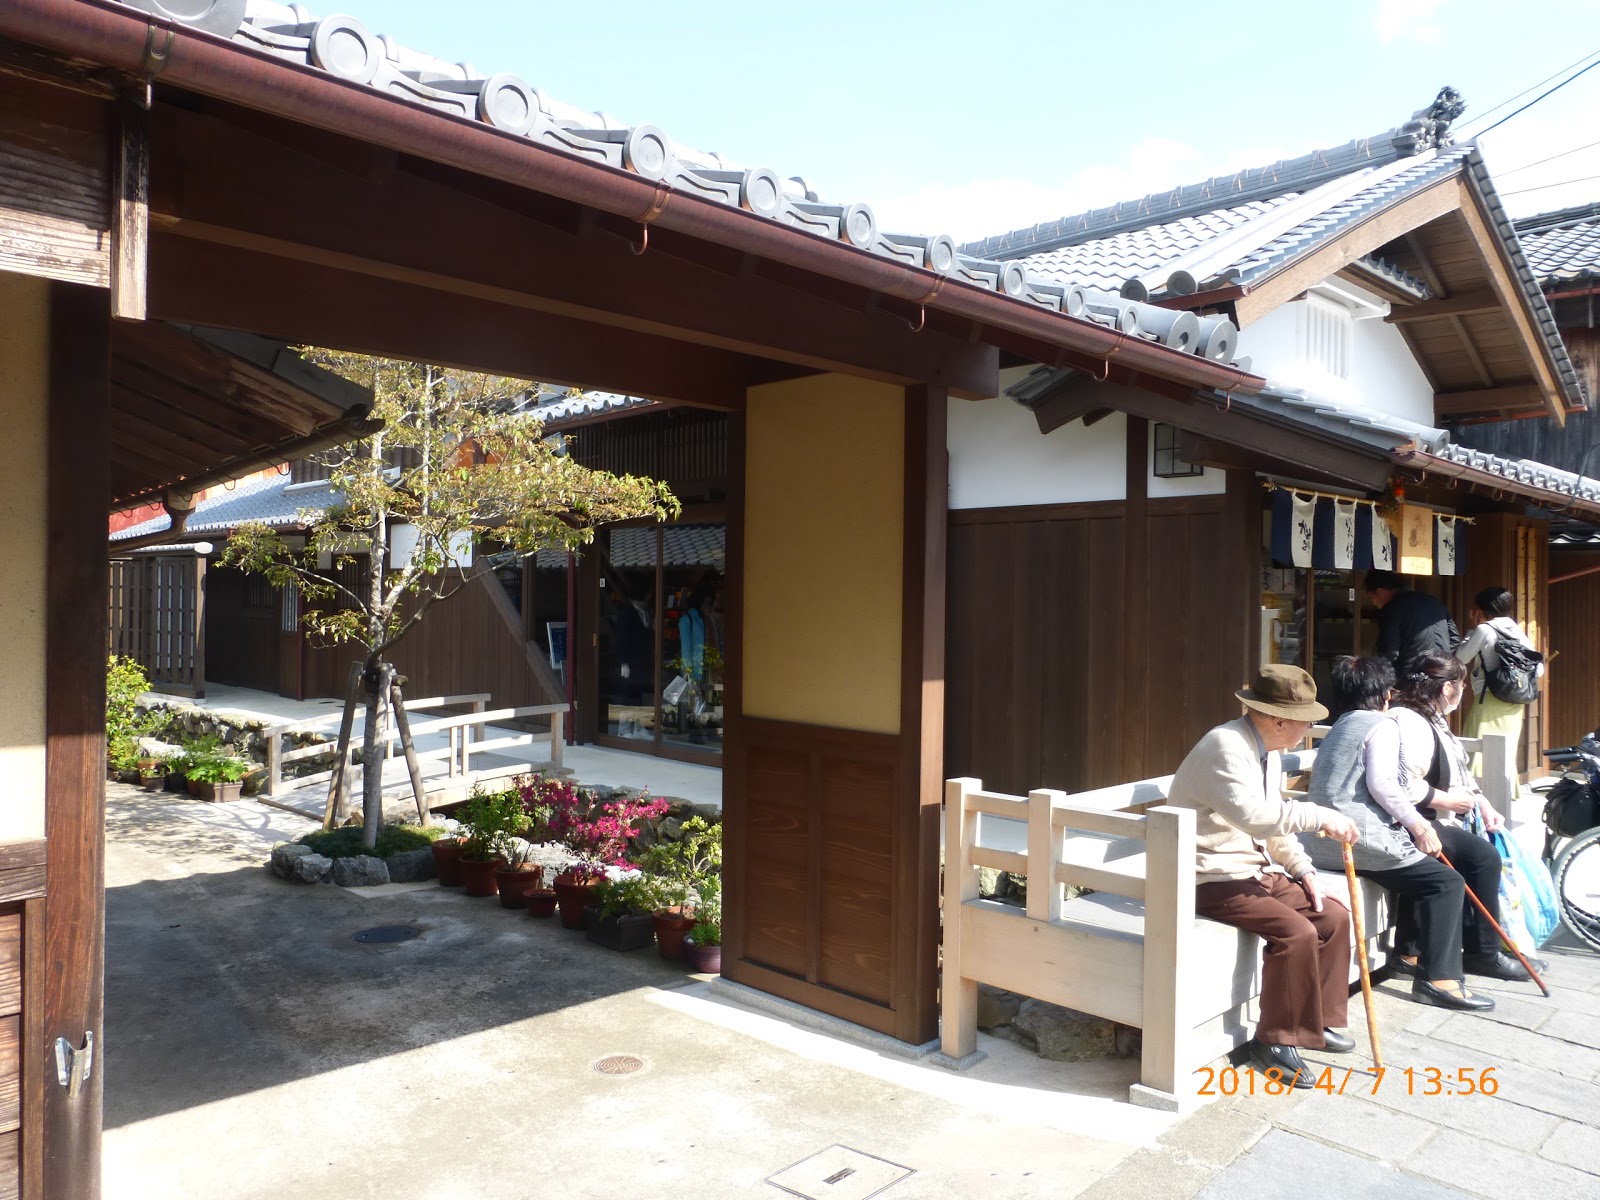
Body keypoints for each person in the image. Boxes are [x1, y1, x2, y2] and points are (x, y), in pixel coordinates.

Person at [1167, 664, 1360, 1089]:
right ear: (1278, 721)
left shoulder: (1264, 750)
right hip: (1209, 876)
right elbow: (1255, 817)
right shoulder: (1225, 746)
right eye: (1304, 721)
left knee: (1332, 916)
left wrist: (1302, 868)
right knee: (1297, 933)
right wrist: (1320, 816)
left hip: (1251, 870)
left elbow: (1274, 826)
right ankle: (1274, 1041)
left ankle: (1315, 1023)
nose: (1307, 729)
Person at [1304, 657, 1497, 1013]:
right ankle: (1439, 980)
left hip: (1321, 840)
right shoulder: (1382, 725)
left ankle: (1409, 956)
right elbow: (1384, 785)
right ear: (1384, 694)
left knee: (1424, 868)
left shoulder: (1341, 724)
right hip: (1359, 840)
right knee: (1445, 882)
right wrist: (1420, 826)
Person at [1386, 653, 1538, 982]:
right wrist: (1451, 801)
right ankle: (1477, 953)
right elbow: (1403, 785)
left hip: (1435, 815)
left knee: (1482, 854)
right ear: (1446, 688)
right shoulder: (1409, 721)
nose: (1464, 690)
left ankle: (1479, 948)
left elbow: (1459, 774)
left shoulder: (1432, 716)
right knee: (1480, 856)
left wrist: (1481, 801)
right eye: (1461, 684)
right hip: (1410, 819)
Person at [1456, 586, 1542, 772]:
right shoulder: (1517, 631)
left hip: (1488, 696)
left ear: (1480, 610)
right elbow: (1539, 669)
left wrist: (1471, 631)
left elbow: (1461, 658)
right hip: (1515, 699)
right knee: (1506, 753)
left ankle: (1477, 787)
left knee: (1478, 748)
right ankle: (1505, 788)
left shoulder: (1484, 630)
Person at [1367, 570, 1459, 673]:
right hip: (1441, 672)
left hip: (1411, 674)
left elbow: (1389, 650)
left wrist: (1379, 673)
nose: (1373, 602)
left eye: (1371, 597)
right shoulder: (1436, 602)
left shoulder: (1392, 608)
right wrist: (1441, 660)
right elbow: (1454, 639)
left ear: (1380, 591)